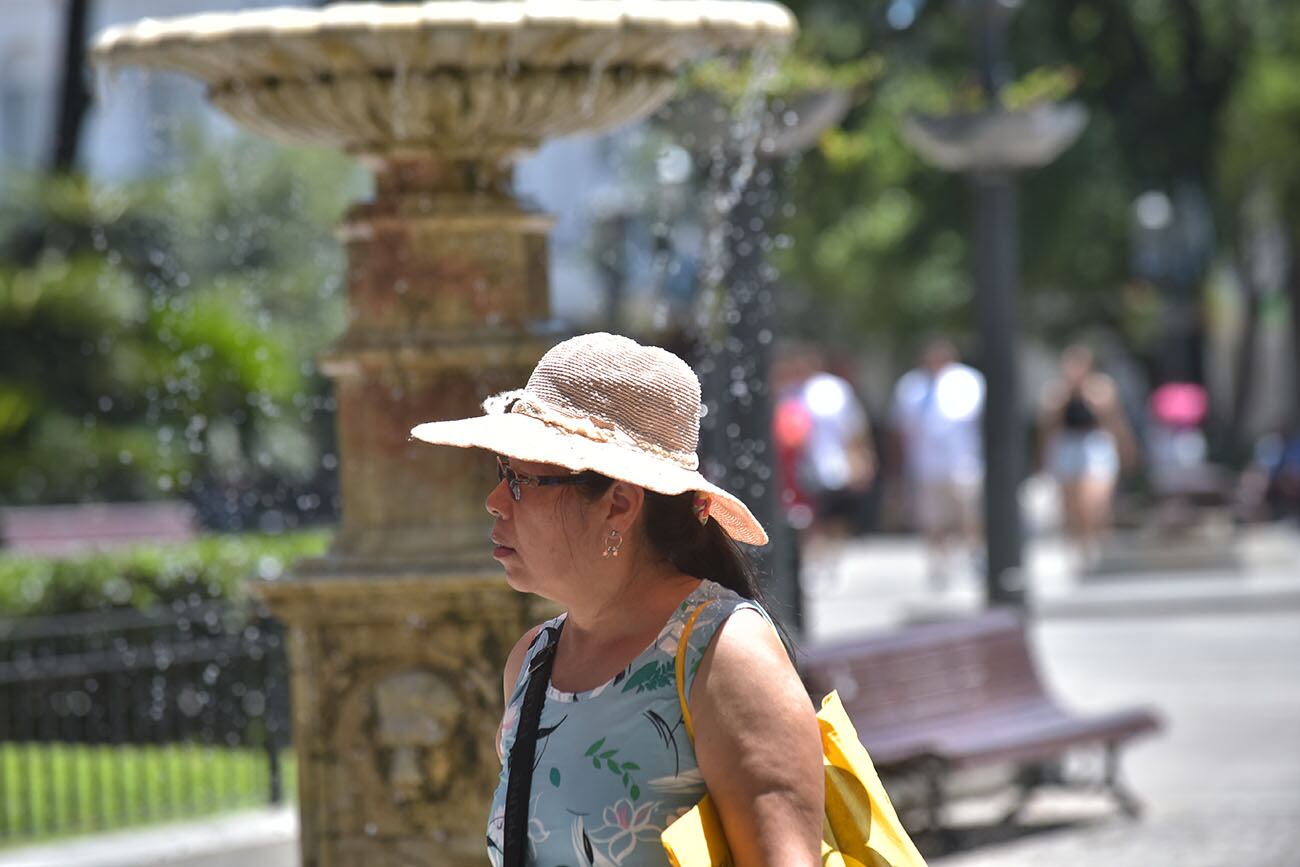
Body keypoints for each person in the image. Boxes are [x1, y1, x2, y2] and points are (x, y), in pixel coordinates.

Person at [410, 333, 823, 867]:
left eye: (520, 480)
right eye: (499, 473)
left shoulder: (724, 654)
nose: (493, 502)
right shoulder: (532, 662)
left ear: (619, 504)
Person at [890, 339, 985, 589]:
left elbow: (967, 416)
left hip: (962, 460)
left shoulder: (967, 380)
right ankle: (938, 562)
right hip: (925, 464)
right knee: (932, 518)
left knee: (967, 513)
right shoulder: (912, 386)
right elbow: (902, 428)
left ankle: (973, 555)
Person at [1037, 344, 1137, 570]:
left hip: (1095, 444)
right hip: (1067, 445)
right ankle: (1079, 548)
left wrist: (1127, 448)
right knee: (1072, 504)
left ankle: (1097, 542)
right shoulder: (1056, 392)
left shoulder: (1101, 388)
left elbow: (1115, 421)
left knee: (1095, 500)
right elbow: (1048, 428)